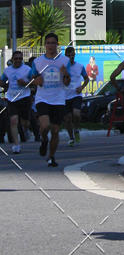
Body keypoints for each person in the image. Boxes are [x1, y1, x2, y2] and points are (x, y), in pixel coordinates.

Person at [31, 33, 70, 167]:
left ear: (57, 45)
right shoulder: (37, 62)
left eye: (53, 43)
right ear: (45, 45)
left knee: (55, 130)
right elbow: (32, 78)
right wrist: (37, 80)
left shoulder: (64, 61)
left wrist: (65, 74)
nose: (50, 46)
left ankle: (51, 156)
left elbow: (67, 82)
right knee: (45, 125)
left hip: (58, 99)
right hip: (43, 98)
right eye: (48, 43)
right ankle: (43, 140)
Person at [0, 50, 34, 153]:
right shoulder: (8, 70)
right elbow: (2, 80)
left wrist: (25, 83)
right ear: (12, 59)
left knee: (25, 122)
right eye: (16, 59)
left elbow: (34, 82)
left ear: (22, 59)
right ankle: (16, 145)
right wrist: (5, 85)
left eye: (20, 58)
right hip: (12, 98)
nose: (18, 60)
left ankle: (26, 130)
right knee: (13, 120)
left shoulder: (27, 69)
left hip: (24, 97)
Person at [63, 46, 89, 145]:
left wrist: (81, 88)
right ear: (65, 56)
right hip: (65, 96)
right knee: (68, 118)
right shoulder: (62, 68)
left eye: (72, 55)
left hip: (76, 94)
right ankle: (71, 137)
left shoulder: (80, 66)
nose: (71, 57)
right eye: (68, 56)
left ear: (75, 55)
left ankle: (76, 129)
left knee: (76, 114)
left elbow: (86, 79)